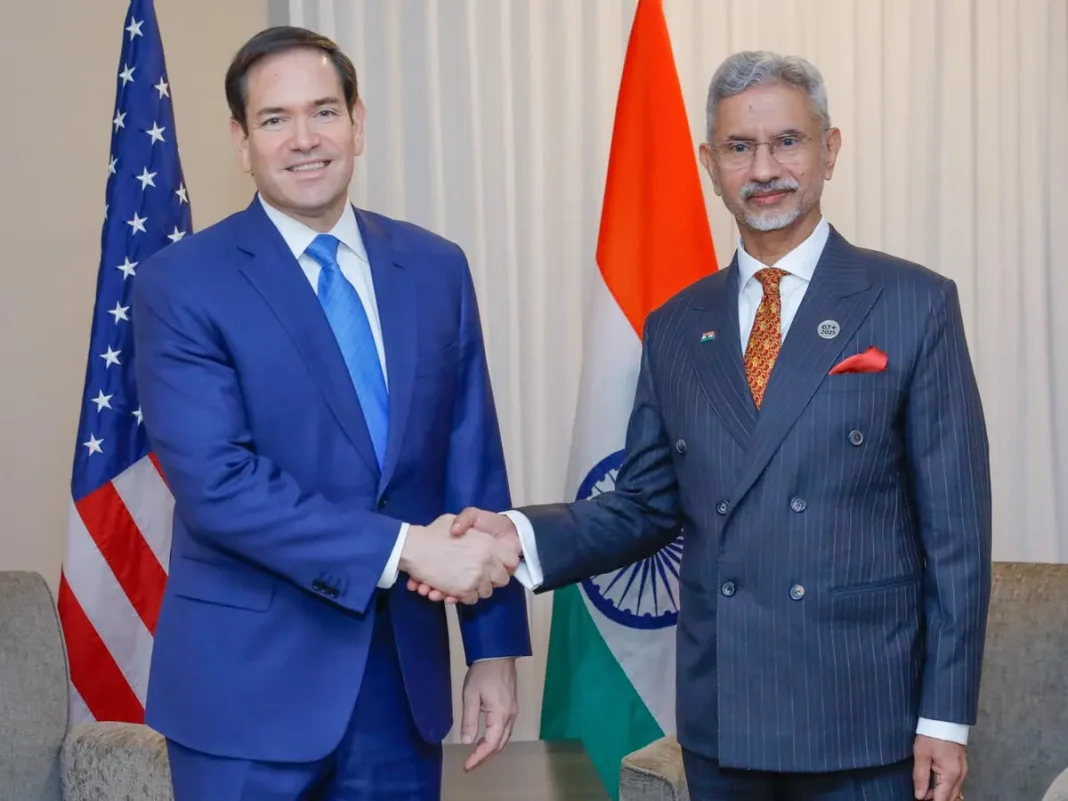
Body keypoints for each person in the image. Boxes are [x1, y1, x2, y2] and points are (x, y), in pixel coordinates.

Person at [413, 51, 992, 801]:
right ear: (709, 163)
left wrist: (945, 718)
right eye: (739, 147)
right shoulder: (677, 326)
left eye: (788, 140)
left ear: (830, 149)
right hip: (725, 718)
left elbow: (957, 538)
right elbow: (646, 504)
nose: (765, 167)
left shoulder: (914, 303)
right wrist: (515, 537)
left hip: (862, 718)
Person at [131, 26, 529, 801]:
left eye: (324, 111)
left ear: (358, 122)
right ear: (241, 142)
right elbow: (219, 484)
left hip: (400, 687)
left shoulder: (435, 266)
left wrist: (492, 647)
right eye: (275, 119)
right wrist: (408, 547)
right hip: (245, 693)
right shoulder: (181, 282)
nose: (305, 139)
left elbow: (471, 460)